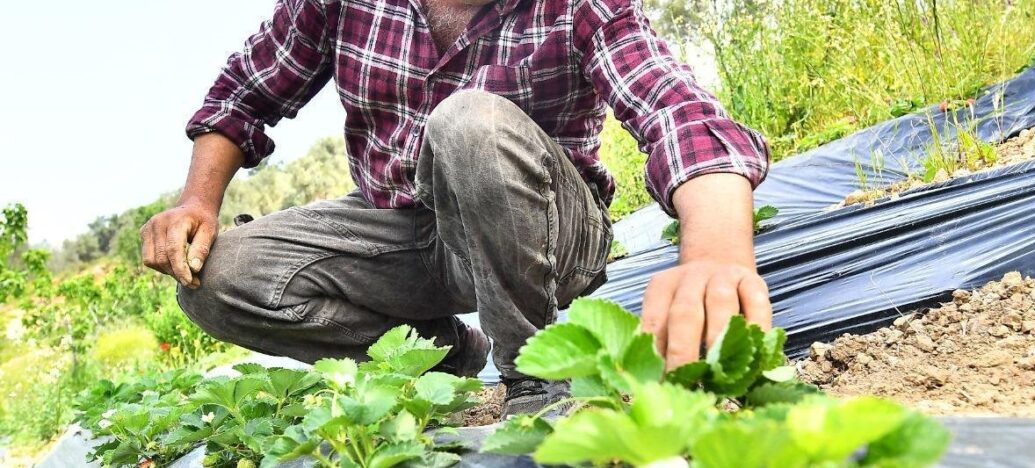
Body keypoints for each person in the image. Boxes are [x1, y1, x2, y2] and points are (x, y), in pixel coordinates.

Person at [139, 0, 772, 416]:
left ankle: (535, 374)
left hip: (548, 232)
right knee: (217, 281)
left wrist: (715, 253)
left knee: (469, 122)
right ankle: (444, 353)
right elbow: (244, 94)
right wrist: (197, 199)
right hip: (404, 235)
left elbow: (675, 109)